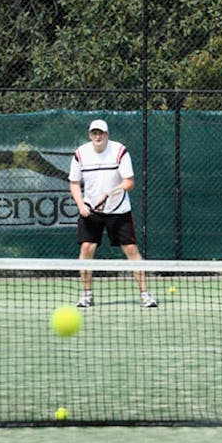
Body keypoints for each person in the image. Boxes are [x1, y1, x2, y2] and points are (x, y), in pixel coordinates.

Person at [69, 119, 157, 308]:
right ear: (90, 135)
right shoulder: (80, 154)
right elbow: (74, 183)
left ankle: (145, 294)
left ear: (107, 135)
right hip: (91, 210)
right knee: (86, 248)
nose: (98, 136)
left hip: (119, 210)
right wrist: (80, 205)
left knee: (131, 249)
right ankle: (87, 295)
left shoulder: (119, 151)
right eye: (94, 133)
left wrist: (112, 191)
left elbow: (129, 182)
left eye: (101, 133)